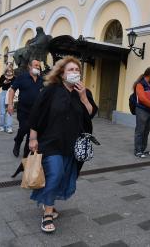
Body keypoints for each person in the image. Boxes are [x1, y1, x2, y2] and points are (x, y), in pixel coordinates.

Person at [28, 56, 98, 233]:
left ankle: (48, 203)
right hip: (50, 142)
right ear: (61, 73)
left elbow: (90, 113)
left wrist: (83, 97)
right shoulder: (51, 91)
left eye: (77, 70)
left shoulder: (83, 92)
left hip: (72, 145)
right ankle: (48, 214)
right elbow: (36, 115)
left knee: (64, 177)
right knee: (56, 173)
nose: (75, 73)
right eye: (70, 70)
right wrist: (32, 138)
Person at [7, 59, 43, 157]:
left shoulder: (41, 79)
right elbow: (12, 90)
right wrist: (10, 104)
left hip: (36, 111)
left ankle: (26, 154)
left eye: (39, 66)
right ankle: (17, 142)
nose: (38, 67)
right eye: (36, 65)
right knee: (25, 128)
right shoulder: (22, 77)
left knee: (32, 130)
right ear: (30, 67)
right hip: (23, 109)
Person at [133, 67, 150, 158]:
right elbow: (142, 98)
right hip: (142, 110)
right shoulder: (140, 84)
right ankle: (138, 151)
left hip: (149, 111)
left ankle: (143, 149)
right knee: (140, 131)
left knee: (146, 131)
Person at [0, 68, 15, 133]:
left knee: (9, 111)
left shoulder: (14, 78)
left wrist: (12, 85)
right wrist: (4, 82)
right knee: (2, 112)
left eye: (10, 71)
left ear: (12, 71)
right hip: (3, 93)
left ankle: (9, 127)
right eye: (8, 71)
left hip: (10, 94)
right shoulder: (2, 76)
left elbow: (16, 87)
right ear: (6, 71)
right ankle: (2, 126)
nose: (9, 72)